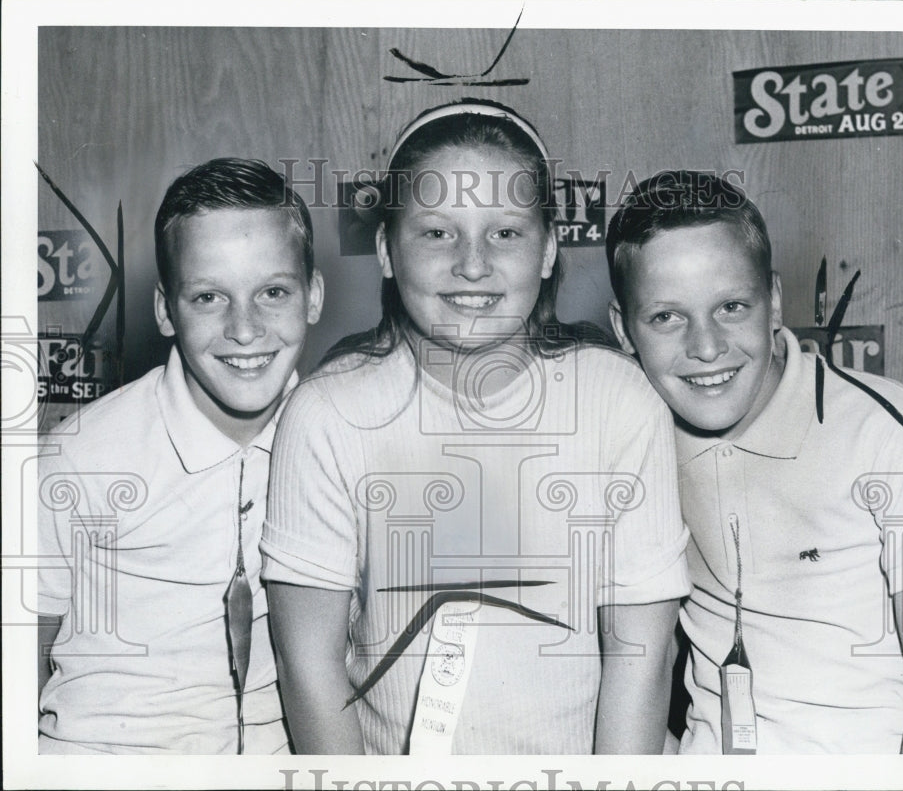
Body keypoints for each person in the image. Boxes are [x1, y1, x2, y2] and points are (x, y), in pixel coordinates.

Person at [260, 100, 690, 755]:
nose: (471, 263)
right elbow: (309, 669)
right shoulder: (328, 416)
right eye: (436, 233)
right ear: (384, 249)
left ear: (548, 249)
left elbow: (641, 659)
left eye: (505, 233)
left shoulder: (619, 403)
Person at [605, 170, 903, 754]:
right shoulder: (629, 442)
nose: (706, 347)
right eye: (667, 317)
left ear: (773, 300)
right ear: (624, 329)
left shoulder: (884, 429)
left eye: (731, 306)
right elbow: (638, 665)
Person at [36, 157, 325, 753]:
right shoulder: (82, 455)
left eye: (273, 292)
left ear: (313, 297)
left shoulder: (340, 442)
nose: (245, 329)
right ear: (166, 310)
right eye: (208, 297)